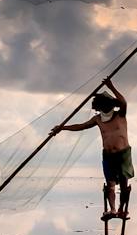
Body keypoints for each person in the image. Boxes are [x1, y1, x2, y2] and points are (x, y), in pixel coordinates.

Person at [52, 80, 132, 221]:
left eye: (106, 106)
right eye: (102, 107)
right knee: (110, 184)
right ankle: (112, 210)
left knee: (124, 184)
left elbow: (123, 102)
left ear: (111, 105)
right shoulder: (98, 119)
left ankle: (121, 210)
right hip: (108, 156)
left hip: (123, 154)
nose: (104, 109)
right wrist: (62, 128)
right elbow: (81, 126)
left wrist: (111, 86)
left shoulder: (120, 114)